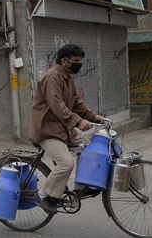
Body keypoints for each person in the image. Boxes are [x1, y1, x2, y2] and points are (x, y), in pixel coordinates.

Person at [30, 44, 105, 214]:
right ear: (64, 61)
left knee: (90, 144)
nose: (79, 64)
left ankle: (80, 186)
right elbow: (58, 106)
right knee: (66, 163)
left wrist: (94, 117)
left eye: (80, 61)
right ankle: (42, 195)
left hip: (63, 129)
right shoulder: (52, 78)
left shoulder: (68, 77)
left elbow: (77, 103)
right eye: (76, 61)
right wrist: (78, 122)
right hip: (47, 131)